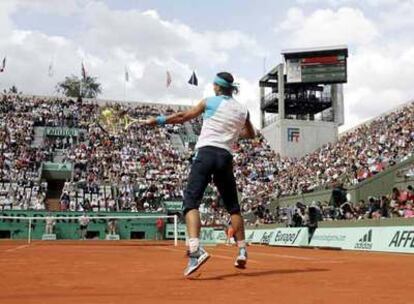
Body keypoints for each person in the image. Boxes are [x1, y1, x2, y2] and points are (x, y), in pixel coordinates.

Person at [143, 72, 256, 276]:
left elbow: (182, 117)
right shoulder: (243, 110)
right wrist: (230, 132)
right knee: (233, 207)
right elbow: (251, 134)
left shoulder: (209, 101)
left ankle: (195, 251)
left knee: (191, 202)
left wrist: (157, 120)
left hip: (206, 154)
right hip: (225, 158)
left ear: (217, 87)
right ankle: (241, 251)